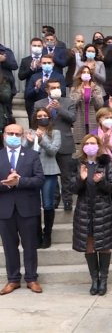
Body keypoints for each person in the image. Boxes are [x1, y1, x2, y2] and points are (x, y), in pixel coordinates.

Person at [0, 124, 45, 295]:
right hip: (5, 210)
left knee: (30, 245)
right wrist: (6, 184)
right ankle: (13, 279)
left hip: (28, 208)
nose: (13, 136)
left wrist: (19, 181)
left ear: (23, 136)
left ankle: (32, 278)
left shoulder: (32, 155)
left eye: (17, 134)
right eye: (10, 133)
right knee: (9, 246)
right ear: (4, 135)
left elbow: (39, 179)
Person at [71, 134, 112, 296]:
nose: (90, 146)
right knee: (89, 245)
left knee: (104, 246)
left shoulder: (105, 162)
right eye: (87, 143)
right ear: (83, 146)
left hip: (102, 210)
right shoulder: (78, 164)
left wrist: (101, 182)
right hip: (84, 211)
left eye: (93, 143)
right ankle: (94, 279)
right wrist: (81, 179)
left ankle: (103, 279)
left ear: (98, 146)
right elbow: (72, 189)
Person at [34, 79, 76, 211]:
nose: (55, 89)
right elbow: (33, 121)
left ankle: (67, 200)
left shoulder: (69, 102)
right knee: (51, 174)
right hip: (46, 144)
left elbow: (72, 118)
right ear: (47, 90)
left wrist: (59, 109)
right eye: (52, 87)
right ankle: (54, 199)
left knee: (66, 175)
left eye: (58, 87)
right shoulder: (39, 103)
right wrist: (45, 111)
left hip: (65, 142)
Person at [24, 108, 60, 249]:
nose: (42, 118)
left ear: (49, 118)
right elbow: (24, 152)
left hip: (49, 172)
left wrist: (41, 139)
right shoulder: (30, 131)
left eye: (45, 115)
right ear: (35, 118)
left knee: (48, 204)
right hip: (32, 173)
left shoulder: (55, 133)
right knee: (35, 205)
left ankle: (47, 235)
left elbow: (53, 150)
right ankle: (37, 235)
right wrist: (28, 142)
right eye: (40, 116)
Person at [90, 108, 112, 247]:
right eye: (105, 117)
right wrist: (99, 144)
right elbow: (90, 151)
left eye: (110, 117)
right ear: (99, 119)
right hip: (99, 172)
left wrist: (108, 144)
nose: (108, 119)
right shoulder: (93, 134)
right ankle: (104, 235)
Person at [24, 54, 67, 127]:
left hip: (54, 109)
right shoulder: (34, 77)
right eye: (44, 63)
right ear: (40, 64)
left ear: (53, 64)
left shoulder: (59, 76)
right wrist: (36, 88)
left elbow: (63, 93)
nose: (47, 65)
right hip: (39, 110)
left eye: (49, 63)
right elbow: (27, 95)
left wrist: (52, 88)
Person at [70, 65, 104, 144]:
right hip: (79, 120)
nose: (86, 74)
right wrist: (79, 94)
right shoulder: (74, 88)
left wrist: (92, 92)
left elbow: (100, 104)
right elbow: (72, 104)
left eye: (88, 72)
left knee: (93, 142)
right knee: (80, 145)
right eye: (84, 72)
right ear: (80, 74)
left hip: (93, 120)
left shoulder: (96, 88)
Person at [0, 43, 18, 115]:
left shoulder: (6, 51)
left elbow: (14, 66)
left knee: (6, 114)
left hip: (5, 89)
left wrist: (4, 60)